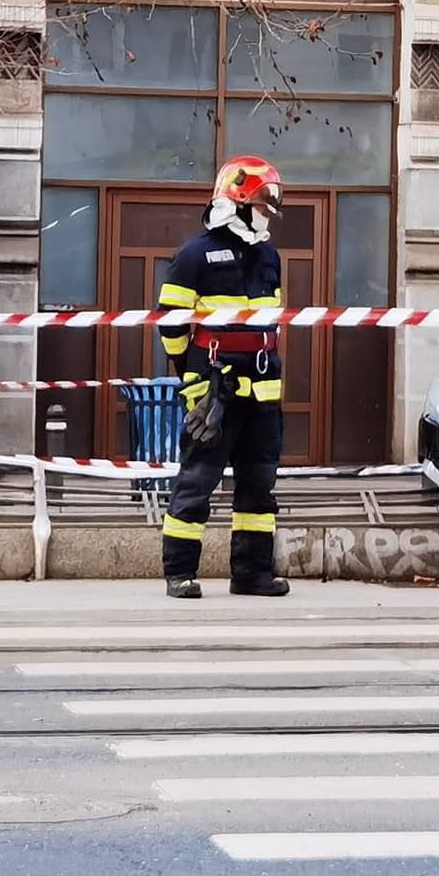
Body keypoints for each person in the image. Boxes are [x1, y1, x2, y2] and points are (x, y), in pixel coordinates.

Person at [158, 156, 291, 600]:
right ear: (237, 199)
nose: (268, 210)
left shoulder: (269, 255)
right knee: (197, 481)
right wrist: (194, 382)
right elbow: (171, 326)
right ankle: (180, 573)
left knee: (259, 486)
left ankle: (252, 574)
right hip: (214, 388)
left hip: (263, 390)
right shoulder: (195, 254)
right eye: (262, 201)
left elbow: (270, 324)